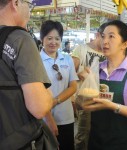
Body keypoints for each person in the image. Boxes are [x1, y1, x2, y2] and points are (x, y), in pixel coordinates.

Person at [82, 20, 127, 150]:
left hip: (126, 142)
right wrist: (84, 87)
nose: (104, 41)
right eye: (103, 36)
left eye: (111, 36)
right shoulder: (96, 70)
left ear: (125, 44)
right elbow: (83, 105)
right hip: (96, 141)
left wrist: (114, 107)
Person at [0, 0, 57, 149]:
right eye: (29, 3)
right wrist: (48, 95)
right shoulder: (20, 38)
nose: (30, 9)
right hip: (18, 140)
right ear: (16, 3)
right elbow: (39, 107)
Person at [40, 20, 78, 150]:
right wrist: (48, 118)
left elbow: (73, 86)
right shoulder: (36, 60)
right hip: (44, 118)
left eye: (57, 38)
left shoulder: (67, 59)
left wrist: (55, 101)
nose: (53, 42)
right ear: (42, 39)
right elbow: (37, 92)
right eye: (49, 38)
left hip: (66, 117)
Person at [71, 23, 106, 150]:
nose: (106, 42)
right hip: (85, 98)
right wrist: (79, 72)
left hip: (103, 98)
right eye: (104, 37)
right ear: (97, 35)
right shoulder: (81, 49)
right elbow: (70, 73)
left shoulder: (107, 52)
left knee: (99, 131)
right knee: (83, 131)